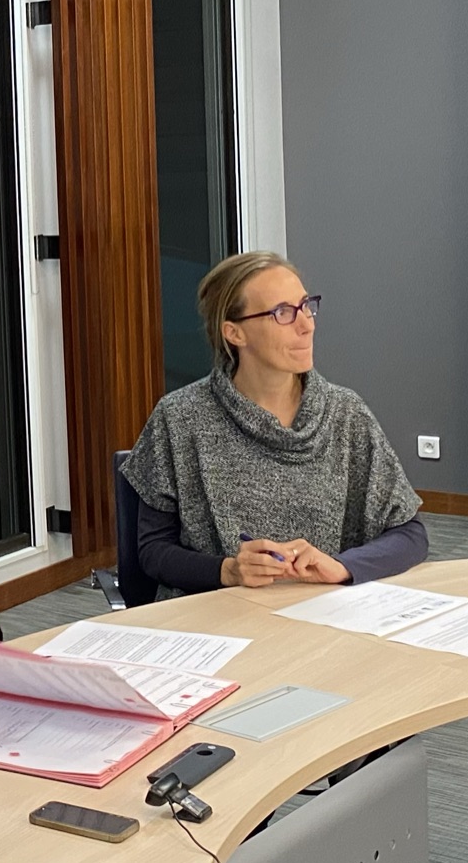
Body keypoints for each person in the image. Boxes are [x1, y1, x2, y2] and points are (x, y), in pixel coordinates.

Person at [119, 250, 426, 602]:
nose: (307, 325)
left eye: (306, 306)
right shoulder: (179, 418)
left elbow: (410, 534)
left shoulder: (346, 414)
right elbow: (153, 550)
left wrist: (342, 566)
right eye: (283, 313)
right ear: (234, 333)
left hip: (321, 612)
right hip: (216, 615)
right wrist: (227, 571)